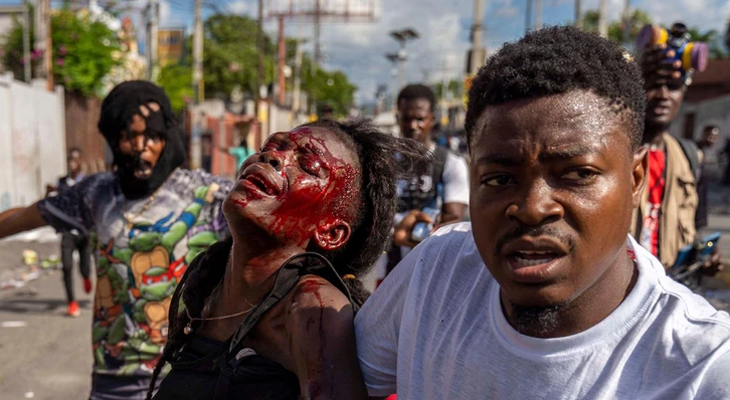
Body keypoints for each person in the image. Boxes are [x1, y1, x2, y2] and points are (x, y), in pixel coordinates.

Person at [355, 27, 730, 399]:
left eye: (578, 174)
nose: (532, 209)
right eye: (500, 178)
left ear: (635, 180)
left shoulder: (704, 368)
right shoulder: (437, 273)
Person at [149, 119, 428, 400]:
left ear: (330, 232)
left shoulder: (311, 309)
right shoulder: (208, 288)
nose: (272, 157)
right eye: (270, 147)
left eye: (308, 166)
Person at [0, 81, 232, 400]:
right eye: (128, 136)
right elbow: (26, 216)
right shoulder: (98, 193)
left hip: (185, 374)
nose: (141, 145)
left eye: (151, 135)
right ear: (114, 139)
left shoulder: (209, 197)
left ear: (166, 134)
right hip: (115, 375)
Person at [633, 36, 722, 272]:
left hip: (671, 285)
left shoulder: (691, 157)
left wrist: (706, 256)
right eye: (652, 85)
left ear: (683, 93)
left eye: (672, 87)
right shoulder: (613, 152)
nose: (663, 95)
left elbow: (697, 226)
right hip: (617, 294)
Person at [386, 84, 469, 272]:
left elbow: (454, 217)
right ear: (398, 118)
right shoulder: (384, 163)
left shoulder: (450, 163)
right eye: (407, 119)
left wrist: (417, 231)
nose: (413, 125)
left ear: (432, 119)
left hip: (434, 264)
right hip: (391, 262)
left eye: (420, 119)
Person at [46, 148, 93, 317]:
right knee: (66, 267)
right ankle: (72, 302)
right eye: (69, 160)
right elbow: (53, 203)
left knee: (85, 267)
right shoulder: (61, 182)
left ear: (80, 161)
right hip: (67, 232)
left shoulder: (87, 182)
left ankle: (86, 277)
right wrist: (49, 193)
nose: (72, 163)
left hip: (84, 232)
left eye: (75, 160)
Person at [695, 125, 720, 229]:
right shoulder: (695, 149)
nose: (711, 140)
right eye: (709, 136)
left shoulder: (710, 151)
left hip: (702, 192)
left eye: (714, 138)